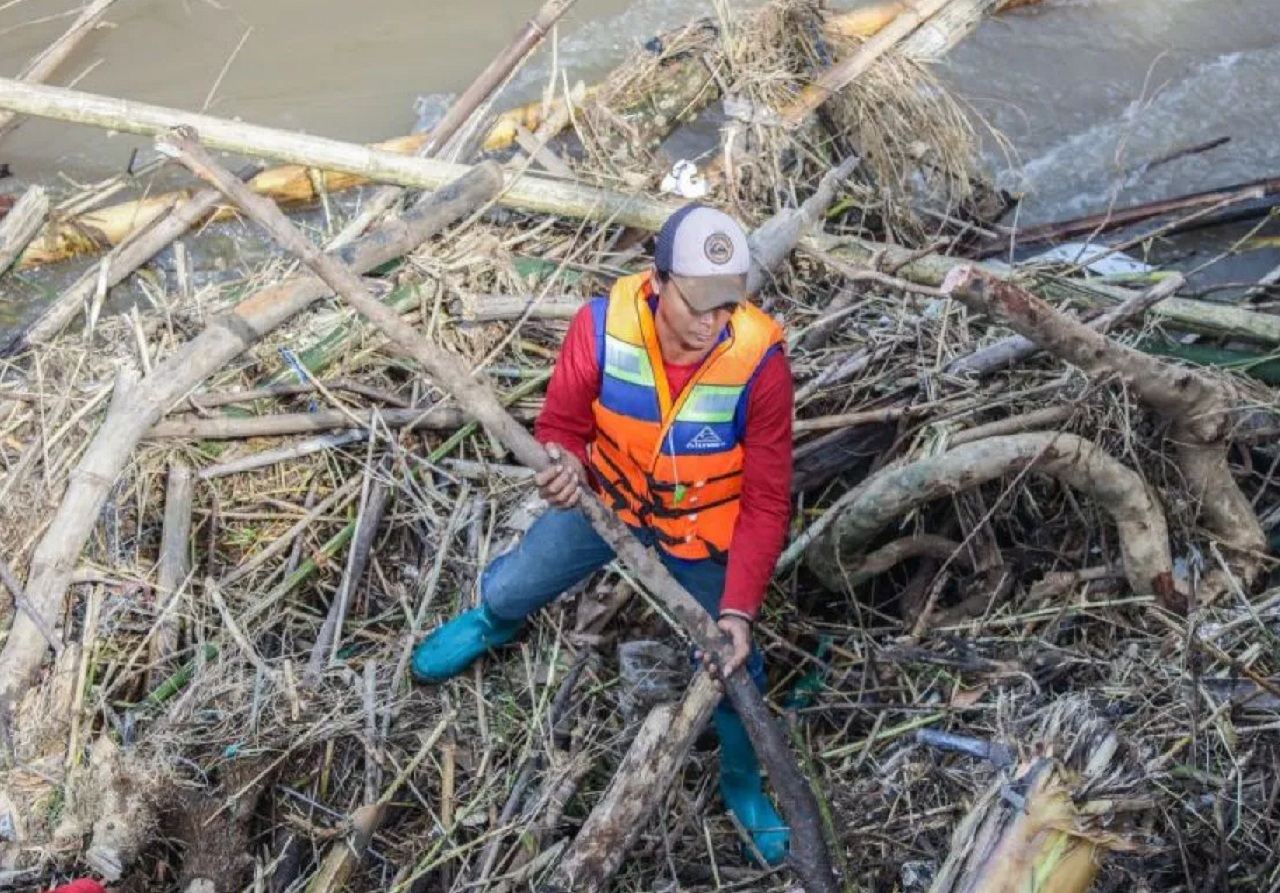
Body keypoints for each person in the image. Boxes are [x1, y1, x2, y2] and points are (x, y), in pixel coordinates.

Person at [411, 203, 794, 865]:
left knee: (739, 664)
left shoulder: (760, 360)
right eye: (697, 303)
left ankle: (741, 782)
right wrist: (563, 466)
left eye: (726, 305)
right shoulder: (601, 327)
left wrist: (737, 610)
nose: (712, 322)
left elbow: (764, 500)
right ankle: (493, 622)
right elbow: (562, 424)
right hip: (605, 505)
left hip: (702, 532)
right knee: (516, 583)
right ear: (657, 280)